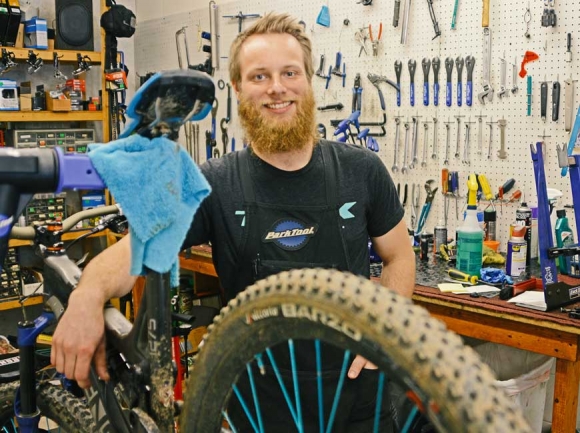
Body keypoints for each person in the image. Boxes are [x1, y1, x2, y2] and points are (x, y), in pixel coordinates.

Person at [51, 12, 416, 431]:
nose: (276, 88)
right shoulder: (214, 183)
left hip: (357, 399)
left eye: (289, 72)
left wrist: (385, 323)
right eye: (259, 76)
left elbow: (399, 257)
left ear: (309, 80)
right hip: (257, 405)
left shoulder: (362, 170)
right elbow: (136, 249)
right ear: (239, 88)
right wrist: (86, 296)